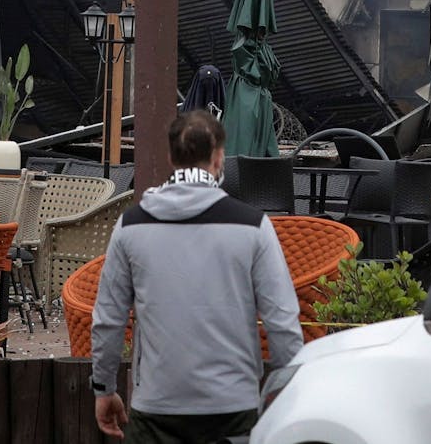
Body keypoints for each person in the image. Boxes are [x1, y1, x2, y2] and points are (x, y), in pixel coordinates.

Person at [93, 110, 303, 443]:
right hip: (233, 407)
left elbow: (108, 319)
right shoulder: (253, 226)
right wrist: (289, 392)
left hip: (156, 406)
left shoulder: (131, 227)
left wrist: (104, 387)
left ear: (170, 157)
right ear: (219, 157)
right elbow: (283, 323)